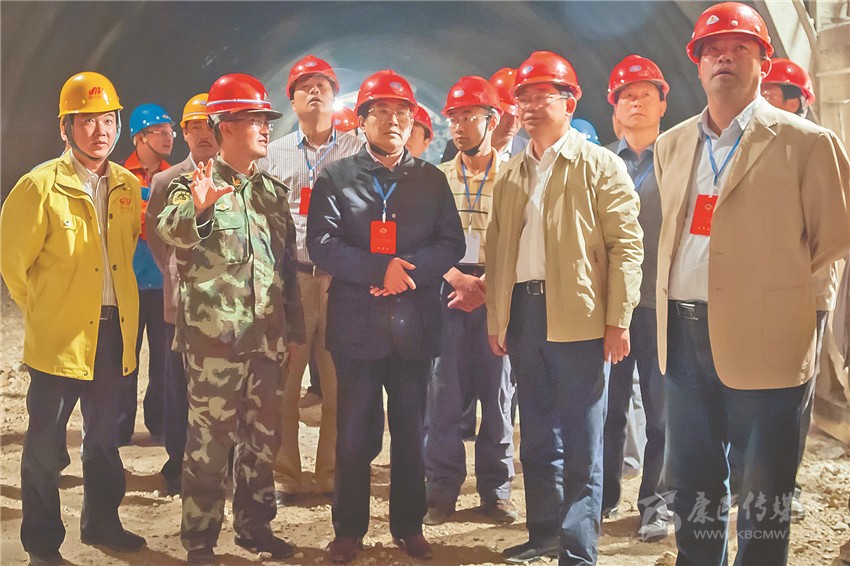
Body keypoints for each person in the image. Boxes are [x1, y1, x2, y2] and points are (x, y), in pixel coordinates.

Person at [654, 3, 850, 564]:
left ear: (764, 62)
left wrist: (769, 281)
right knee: (693, 478)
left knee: (765, 485)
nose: (724, 57)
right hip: (683, 333)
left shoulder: (805, 143)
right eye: (712, 49)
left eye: (740, 47)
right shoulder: (674, 145)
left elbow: (832, 235)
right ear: (697, 65)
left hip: (767, 335)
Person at [486, 51, 644, 564]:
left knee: (582, 438)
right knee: (535, 433)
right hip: (525, 315)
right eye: (524, 98)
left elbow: (626, 247)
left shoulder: (599, 165)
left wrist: (618, 320)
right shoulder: (511, 173)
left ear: (569, 103)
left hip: (580, 317)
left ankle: (577, 548)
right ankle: (544, 533)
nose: (531, 107)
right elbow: (498, 250)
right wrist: (498, 319)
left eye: (543, 96)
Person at [306, 69, 465, 564]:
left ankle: (409, 526)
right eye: (381, 111)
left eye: (402, 113)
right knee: (354, 433)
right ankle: (348, 529)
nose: (393, 120)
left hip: (414, 326)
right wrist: (379, 269)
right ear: (362, 121)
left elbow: (451, 243)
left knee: (411, 432)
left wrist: (406, 272)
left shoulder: (431, 180)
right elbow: (322, 243)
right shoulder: (335, 177)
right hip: (357, 328)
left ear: (413, 122)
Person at [156, 73, 304, 566]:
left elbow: (284, 267)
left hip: (266, 339)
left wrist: (293, 330)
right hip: (214, 343)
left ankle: (255, 528)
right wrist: (200, 211)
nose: (265, 128)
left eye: (265, 119)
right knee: (209, 446)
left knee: (262, 442)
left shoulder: (271, 193)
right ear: (227, 127)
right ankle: (200, 541)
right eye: (255, 119)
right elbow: (171, 229)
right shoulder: (193, 183)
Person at [1, 71, 146, 566]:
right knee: (45, 448)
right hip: (59, 339)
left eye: (108, 120)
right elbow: (13, 265)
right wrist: (46, 310)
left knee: (104, 440)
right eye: (86, 121)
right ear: (64, 127)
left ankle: (102, 522)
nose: (99, 131)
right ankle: (43, 544)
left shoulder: (126, 185)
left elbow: (125, 254)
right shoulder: (39, 186)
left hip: (113, 334)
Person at [262, 54, 363, 505]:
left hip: (342, 284)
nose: (315, 90)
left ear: (335, 95)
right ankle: (286, 473)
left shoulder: (357, 151)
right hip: (295, 279)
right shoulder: (274, 154)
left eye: (323, 84)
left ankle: (331, 474)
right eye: (305, 85)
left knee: (339, 384)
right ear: (292, 100)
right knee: (286, 382)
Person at [423, 75, 516, 526]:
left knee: (497, 396)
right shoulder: (438, 178)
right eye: (454, 119)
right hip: (449, 286)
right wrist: (456, 278)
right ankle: (441, 491)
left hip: (498, 289)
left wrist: (489, 285)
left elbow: (521, 237)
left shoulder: (515, 176)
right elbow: (424, 238)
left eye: (469, 117)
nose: (459, 127)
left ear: (492, 120)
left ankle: (496, 491)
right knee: (443, 393)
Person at [757, 56, 838, 521]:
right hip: (754, 292)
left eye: (772, 94)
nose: (762, 102)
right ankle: (749, 479)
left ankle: (785, 485)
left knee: (793, 394)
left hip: (807, 292)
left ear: (797, 102)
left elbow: (832, 231)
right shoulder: (747, 147)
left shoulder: (816, 147)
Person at [601, 54, 670, 542]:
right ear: (615, 109)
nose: (636, 102)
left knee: (662, 411)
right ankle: (602, 495)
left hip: (663, 304)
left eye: (646, 94)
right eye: (627, 96)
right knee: (607, 407)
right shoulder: (599, 162)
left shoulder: (681, 158)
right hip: (610, 309)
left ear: (663, 105)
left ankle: (656, 505)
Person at [146, 93, 219, 496]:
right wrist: (174, 272)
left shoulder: (234, 178)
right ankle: (177, 462)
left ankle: (220, 464)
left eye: (210, 125)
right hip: (182, 303)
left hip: (227, 305)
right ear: (185, 133)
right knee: (179, 387)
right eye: (195, 126)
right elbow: (157, 237)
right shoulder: (166, 181)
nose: (203, 133)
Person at [118, 102, 174, 445]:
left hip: (164, 283)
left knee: (165, 362)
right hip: (128, 283)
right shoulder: (119, 177)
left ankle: (160, 422)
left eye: (171, 131)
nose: (169, 137)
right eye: (160, 131)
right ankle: (119, 426)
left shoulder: (175, 178)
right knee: (124, 359)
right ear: (140, 137)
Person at [441, 67, 527, 163]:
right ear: (493, 116)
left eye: (518, 117)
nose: (512, 124)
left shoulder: (528, 151)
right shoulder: (456, 148)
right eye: (506, 116)